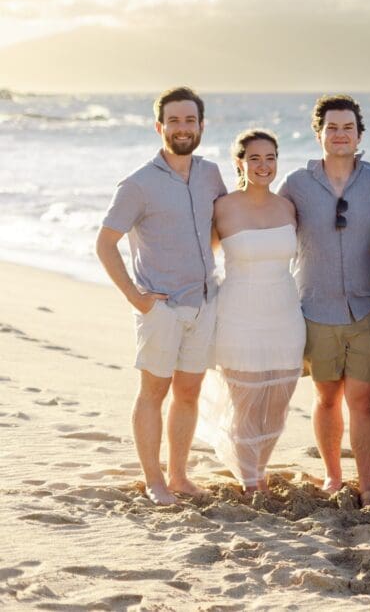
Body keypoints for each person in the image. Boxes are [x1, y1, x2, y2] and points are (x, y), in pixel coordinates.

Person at [95, 86, 226, 505]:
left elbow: (217, 230)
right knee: (153, 393)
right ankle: (154, 480)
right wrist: (136, 297)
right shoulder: (137, 184)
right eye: (174, 121)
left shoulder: (210, 174)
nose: (182, 128)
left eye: (190, 120)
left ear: (201, 126)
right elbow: (105, 243)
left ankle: (180, 475)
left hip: (203, 303)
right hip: (161, 307)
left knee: (188, 393)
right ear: (159, 127)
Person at [277, 94, 370, 504]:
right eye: (332, 128)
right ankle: (333, 476)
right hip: (313, 308)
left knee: (363, 401)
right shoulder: (296, 184)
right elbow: (265, 221)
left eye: (347, 127)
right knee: (326, 397)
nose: (340, 135)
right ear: (318, 134)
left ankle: (367, 486)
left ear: (359, 133)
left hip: (367, 308)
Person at [196, 129, 303, 493]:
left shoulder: (288, 206)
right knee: (246, 403)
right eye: (255, 158)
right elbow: (201, 259)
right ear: (239, 163)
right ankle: (251, 480)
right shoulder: (223, 207)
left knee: (276, 403)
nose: (263, 165)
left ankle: (259, 466)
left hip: (286, 315)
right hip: (239, 315)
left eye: (270, 157)